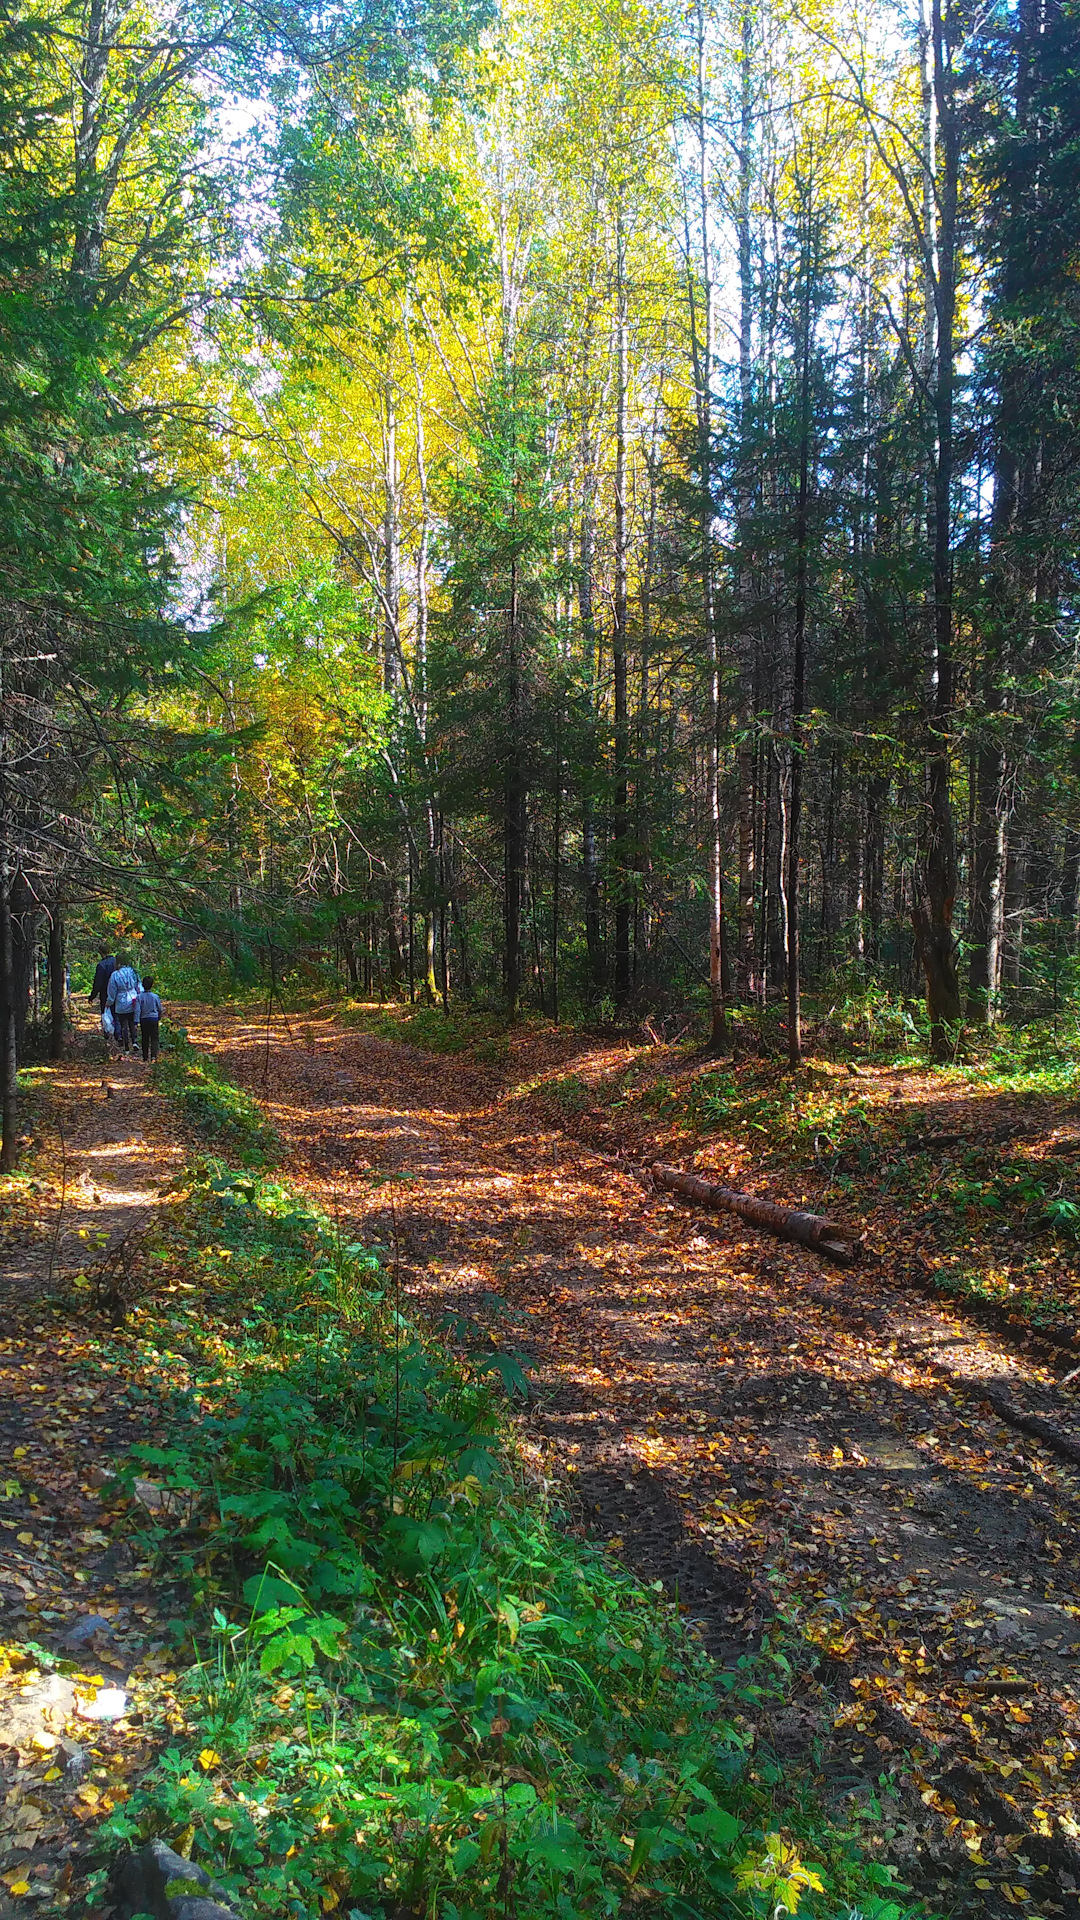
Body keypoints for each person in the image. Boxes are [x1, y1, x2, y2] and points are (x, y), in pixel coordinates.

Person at [106, 955, 141, 1056]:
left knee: (123, 1024)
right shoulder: (133, 972)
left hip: (121, 1001)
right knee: (132, 1022)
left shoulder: (115, 975)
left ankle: (126, 1046)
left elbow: (112, 991)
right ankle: (134, 1041)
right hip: (133, 998)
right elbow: (139, 985)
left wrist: (109, 1002)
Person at [138, 977, 162, 1062]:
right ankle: (153, 1056)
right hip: (154, 1018)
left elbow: (138, 1009)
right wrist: (159, 1016)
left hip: (144, 1019)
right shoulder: (155, 996)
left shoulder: (140, 997)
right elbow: (159, 1008)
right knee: (154, 1038)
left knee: (145, 1037)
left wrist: (136, 1020)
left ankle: (145, 1056)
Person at [88, 949, 117, 1015]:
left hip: (105, 994)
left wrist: (92, 996)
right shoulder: (116, 962)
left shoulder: (101, 965)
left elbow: (98, 983)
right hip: (117, 993)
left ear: (100, 953)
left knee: (106, 1016)